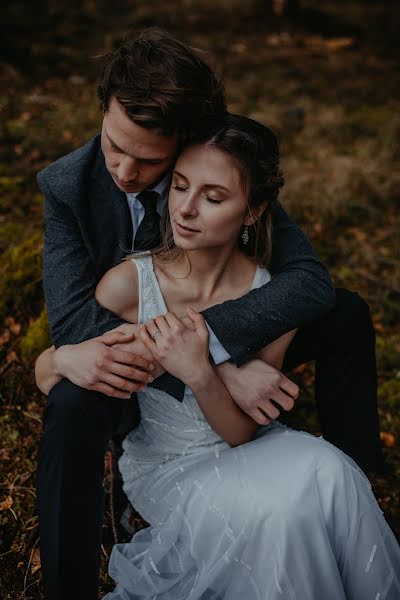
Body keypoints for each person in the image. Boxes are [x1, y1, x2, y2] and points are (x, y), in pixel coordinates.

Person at [35, 28, 383, 600]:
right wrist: (214, 366)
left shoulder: (220, 164)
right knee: (71, 401)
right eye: (112, 145)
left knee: (345, 312)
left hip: (211, 319)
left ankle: (361, 487)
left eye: (148, 161)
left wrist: (212, 349)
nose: (122, 171)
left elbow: (308, 283)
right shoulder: (68, 187)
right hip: (125, 346)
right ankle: (67, 584)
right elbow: (76, 330)